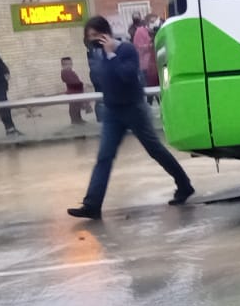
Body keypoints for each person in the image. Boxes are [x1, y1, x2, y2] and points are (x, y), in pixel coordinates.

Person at [67, 16, 193, 220]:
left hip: (133, 108)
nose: (92, 41)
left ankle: (184, 185)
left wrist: (111, 56)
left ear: (105, 33)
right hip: (112, 111)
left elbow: (126, 75)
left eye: (95, 36)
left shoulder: (125, 50)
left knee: (155, 149)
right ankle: (92, 204)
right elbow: (101, 79)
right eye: (89, 37)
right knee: (104, 156)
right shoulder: (97, 55)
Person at [60, 56, 89, 125]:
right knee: (74, 107)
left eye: (70, 64)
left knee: (77, 106)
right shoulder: (65, 72)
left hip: (76, 91)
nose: (69, 66)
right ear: (62, 65)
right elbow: (73, 82)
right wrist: (81, 84)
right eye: (66, 64)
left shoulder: (70, 71)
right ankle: (75, 121)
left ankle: (79, 119)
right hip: (73, 92)